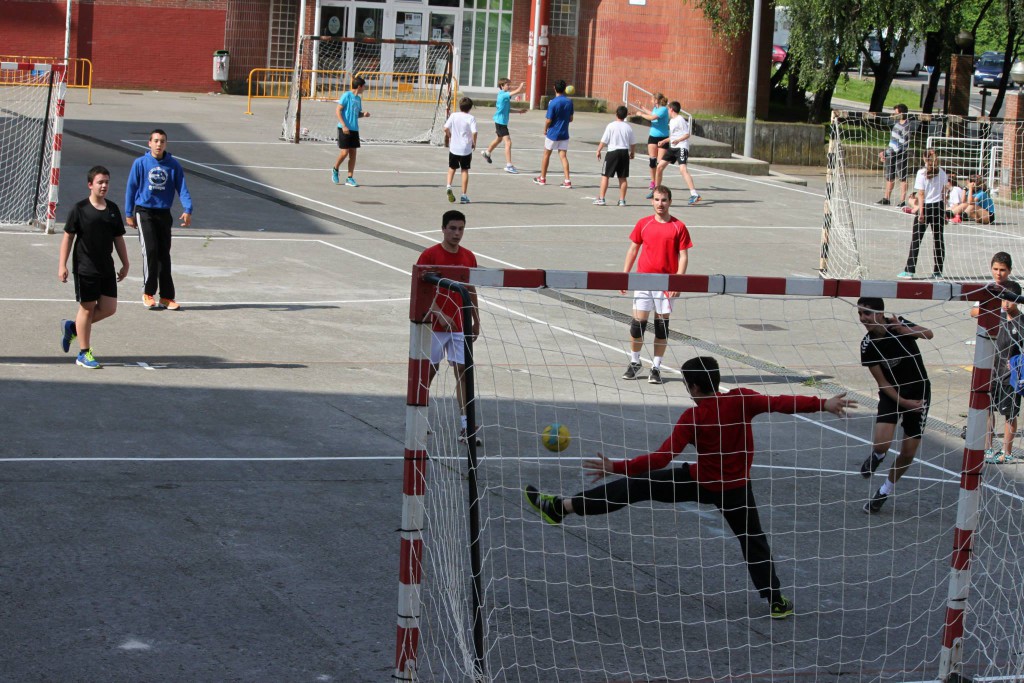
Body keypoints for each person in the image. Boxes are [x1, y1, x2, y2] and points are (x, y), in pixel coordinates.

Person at [524, 355, 857, 619]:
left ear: (695, 388)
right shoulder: (743, 399)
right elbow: (782, 402)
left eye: (686, 383)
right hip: (735, 489)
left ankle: (562, 508)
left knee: (636, 486)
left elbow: (660, 458)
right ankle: (776, 601)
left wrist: (616, 467)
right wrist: (822, 403)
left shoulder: (692, 417)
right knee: (753, 542)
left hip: (699, 483)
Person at [857, 297, 934, 514]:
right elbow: (882, 382)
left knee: (908, 452)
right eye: (860, 314)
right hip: (892, 394)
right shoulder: (867, 345)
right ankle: (877, 456)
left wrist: (903, 328)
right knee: (882, 444)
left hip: (919, 392)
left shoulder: (900, 325)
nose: (864, 318)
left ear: (881, 314)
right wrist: (903, 402)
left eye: (867, 313)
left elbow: (928, 334)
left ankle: (883, 491)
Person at [416, 210, 482, 445]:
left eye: (461, 229)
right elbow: (420, 289)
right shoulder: (430, 255)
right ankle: (418, 419)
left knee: (463, 373)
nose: (457, 233)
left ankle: (466, 426)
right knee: (428, 374)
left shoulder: (468, 257)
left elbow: (470, 289)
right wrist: (438, 311)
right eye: (452, 228)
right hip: (433, 327)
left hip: (458, 326)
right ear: (443, 229)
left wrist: (475, 319)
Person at [58, 166, 130, 369]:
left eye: (107, 182)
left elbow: (118, 238)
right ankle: (84, 353)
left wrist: (125, 263)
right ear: (90, 185)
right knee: (87, 309)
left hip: (106, 267)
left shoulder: (113, 209)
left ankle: (72, 327)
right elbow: (68, 237)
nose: (104, 185)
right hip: (85, 268)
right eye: (100, 182)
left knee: (109, 308)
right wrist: (61, 265)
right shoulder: (79, 209)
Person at [620, 186, 693, 384]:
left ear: (670, 201)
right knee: (637, 326)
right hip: (643, 280)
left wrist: (678, 280)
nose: (660, 204)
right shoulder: (643, 224)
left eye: (664, 200)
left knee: (661, 327)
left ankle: (656, 367)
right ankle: (635, 362)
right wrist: (624, 275)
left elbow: (684, 256)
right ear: (652, 201)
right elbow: (633, 249)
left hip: (666, 283)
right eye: (657, 199)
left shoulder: (679, 226)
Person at [125, 128, 192, 311]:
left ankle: (166, 297)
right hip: (144, 211)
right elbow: (131, 188)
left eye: (162, 141)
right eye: (155, 141)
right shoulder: (140, 163)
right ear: (149, 143)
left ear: (166, 144)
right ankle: (148, 292)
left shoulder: (173, 165)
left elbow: (182, 188)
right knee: (151, 250)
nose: (159, 144)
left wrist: (188, 209)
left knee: (164, 254)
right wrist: (128, 212)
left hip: (163, 213)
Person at [986, 279, 1024, 464]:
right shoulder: (997, 318)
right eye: (1003, 300)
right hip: (993, 372)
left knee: (1010, 413)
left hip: (1012, 377)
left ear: (1017, 300)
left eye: (1009, 300)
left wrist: (1017, 364)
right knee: (987, 409)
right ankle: (988, 448)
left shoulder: (1022, 323)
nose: (1006, 304)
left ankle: (1006, 451)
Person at [899, 150, 947, 280]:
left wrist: (921, 212)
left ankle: (909, 271)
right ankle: (938, 271)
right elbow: (943, 194)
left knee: (916, 239)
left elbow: (921, 194)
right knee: (938, 239)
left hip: (926, 206)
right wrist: (945, 211)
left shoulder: (922, 173)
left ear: (924, 158)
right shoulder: (942, 172)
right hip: (939, 207)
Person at [657, 102, 701, 205]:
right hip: (673, 147)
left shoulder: (680, 119)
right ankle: (656, 190)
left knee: (682, 169)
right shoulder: (672, 121)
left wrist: (678, 140)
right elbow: (673, 136)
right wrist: (664, 141)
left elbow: (687, 134)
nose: (667, 111)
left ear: (671, 109)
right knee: (659, 167)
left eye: (668, 109)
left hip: (681, 147)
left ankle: (694, 194)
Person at [533, 79, 574, 188]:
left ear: (554, 88)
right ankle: (567, 180)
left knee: (546, 154)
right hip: (564, 133)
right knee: (563, 156)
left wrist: (545, 129)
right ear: (565, 89)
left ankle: (542, 178)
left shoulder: (553, 102)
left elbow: (548, 120)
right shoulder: (569, 102)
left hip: (553, 133)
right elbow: (571, 119)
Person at [331, 76, 370, 188]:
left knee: (353, 154)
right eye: (364, 86)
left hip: (354, 129)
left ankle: (350, 177)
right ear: (359, 86)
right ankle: (335, 169)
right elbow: (338, 110)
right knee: (344, 153)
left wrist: (364, 114)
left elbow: (357, 114)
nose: (364, 89)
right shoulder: (346, 95)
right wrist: (343, 125)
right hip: (344, 128)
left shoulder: (358, 99)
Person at [594, 105, 636, 206]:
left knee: (605, 176)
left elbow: (604, 140)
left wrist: (598, 150)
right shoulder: (628, 127)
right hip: (624, 152)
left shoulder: (611, 125)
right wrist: (632, 152)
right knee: (623, 177)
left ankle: (602, 198)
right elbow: (633, 143)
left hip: (612, 152)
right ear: (626, 115)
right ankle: (622, 200)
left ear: (616, 114)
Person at [482, 78, 526, 174]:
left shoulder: (505, 96)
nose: (509, 86)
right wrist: (521, 86)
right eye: (507, 85)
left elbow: (507, 110)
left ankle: (487, 153)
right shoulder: (503, 94)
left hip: (500, 121)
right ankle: (509, 165)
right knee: (508, 142)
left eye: (509, 84)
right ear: (502, 86)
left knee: (499, 139)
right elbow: (517, 91)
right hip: (501, 122)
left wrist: (519, 111)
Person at [632, 93, 670, 193]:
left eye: (652, 99)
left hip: (663, 138)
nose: (651, 101)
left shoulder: (663, 109)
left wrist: (640, 114)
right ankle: (653, 182)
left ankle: (658, 185)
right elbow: (651, 113)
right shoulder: (655, 108)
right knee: (652, 162)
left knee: (659, 164)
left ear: (657, 100)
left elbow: (652, 118)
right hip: (653, 137)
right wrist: (642, 107)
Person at [444, 97, 478, 204]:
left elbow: (445, 128)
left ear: (460, 106)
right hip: (465, 149)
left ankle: (449, 186)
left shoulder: (454, 115)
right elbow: (475, 132)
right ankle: (463, 195)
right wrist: (474, 142)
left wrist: (449, 136)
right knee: (464, 170)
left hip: (454, 147)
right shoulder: (471, 118)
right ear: (470, 108)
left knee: (451, 168)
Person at [877, 103, 910, 207]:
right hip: (891, 153)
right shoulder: (896, 124)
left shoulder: (906, 126)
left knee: (902, 177)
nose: (894, 115)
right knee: (889, 176)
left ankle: (902, 201)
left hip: (901, 153)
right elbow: (893, 141)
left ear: (901, 113)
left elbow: (900, 144)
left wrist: (886, 153)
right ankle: (887, 198)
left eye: (896, 113)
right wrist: (886, 153)